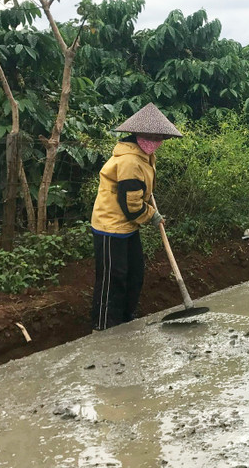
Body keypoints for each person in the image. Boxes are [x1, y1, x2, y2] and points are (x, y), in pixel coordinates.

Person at [90, 103, 183, 331]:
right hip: (111, 227)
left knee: (134, 274)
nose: (157, 140)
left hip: (127, 227)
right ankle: (103, 327)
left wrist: (147, 200)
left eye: (159, 137)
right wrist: (152, 216)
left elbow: (139, 193)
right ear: (140, 136)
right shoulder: (130, 161)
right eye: (153, 136)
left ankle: (126, 320)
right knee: (113, 279)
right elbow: (131, 206)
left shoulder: (143, 157)